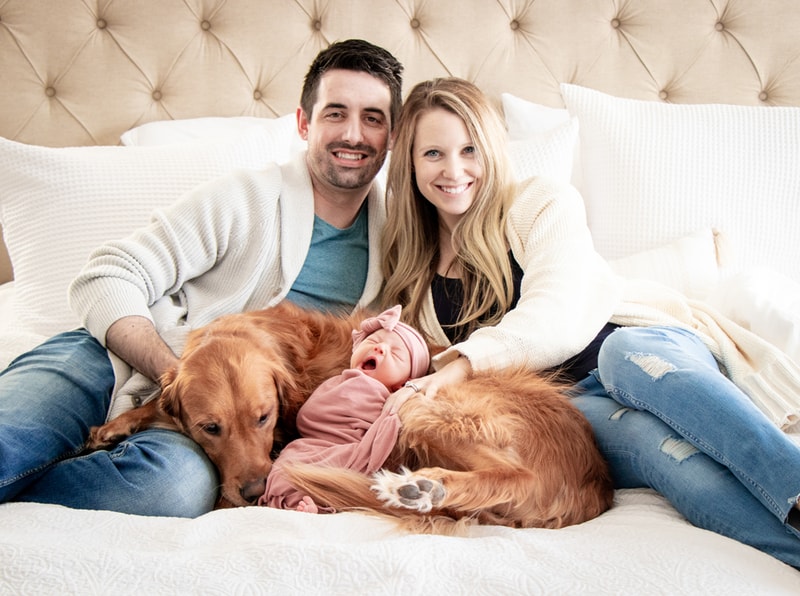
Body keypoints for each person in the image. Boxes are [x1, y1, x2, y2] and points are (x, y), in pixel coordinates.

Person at [379, 77, 800, 569]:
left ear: (492, 149)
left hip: (646, 353)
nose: (454, 170)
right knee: (659, 450)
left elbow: (558, 310)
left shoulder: (538, 202)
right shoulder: (411, 275)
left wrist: (462, 364)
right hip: (575, 408)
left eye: (469, 148)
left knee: (620, 357)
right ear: (409, 162)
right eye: (433, 153)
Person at [0, 39, 404, 517]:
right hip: (109, 357)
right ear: (304, 123)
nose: (353, 134)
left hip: (215, 427)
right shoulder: (243, 199)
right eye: (335, 113)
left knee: (170, 490)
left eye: (373, 118)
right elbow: (106, 275)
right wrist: (177, 377)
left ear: (393, 134)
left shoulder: (403, 238)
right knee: (9, 445)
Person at [259, 304, 430, 513]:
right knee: (284, 466)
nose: (380, 347)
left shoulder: (388, 398)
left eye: (395, 354)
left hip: (350, 448)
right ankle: (284, 500)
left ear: (403, 384)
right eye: (373, 341)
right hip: (314, 444)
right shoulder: (335, 381)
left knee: (342, 472)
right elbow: (307, 418)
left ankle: (317, 506)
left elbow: (387, 433)